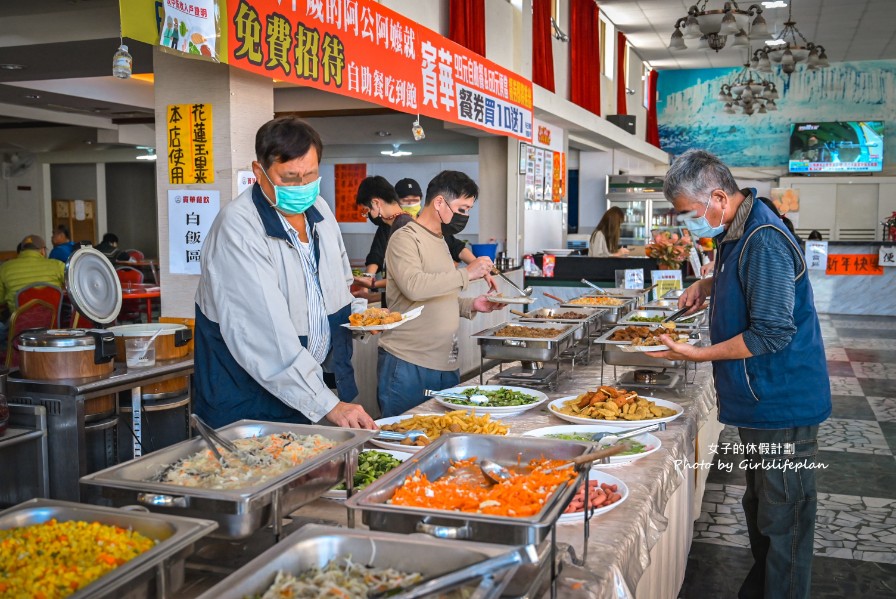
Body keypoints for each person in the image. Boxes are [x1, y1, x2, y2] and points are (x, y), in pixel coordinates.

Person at [652, 149, 830, 599]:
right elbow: (748, 282)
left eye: (687, 214)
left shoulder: (763, 237)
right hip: (758, 399)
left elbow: (771, 332)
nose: (686, 224)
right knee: (761, 508)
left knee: (783, 517)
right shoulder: (736, 227)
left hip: (780, 399)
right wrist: (707, 283)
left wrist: (699, 354)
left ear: (716, 197)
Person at [194, 116, 376, 430]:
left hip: (304, 393)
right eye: (290, 178)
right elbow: (263, 337)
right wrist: (327, 404)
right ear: (258, 171)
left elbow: (335, 286)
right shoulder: (238, 229)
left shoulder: (319, 210)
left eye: (311, 175)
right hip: (249, 401)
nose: (303, 187)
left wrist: (363, 316)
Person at [376, 171, 504, 417]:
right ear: (438, 202)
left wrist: (472, 305)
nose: (464, 216)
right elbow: (414, 286)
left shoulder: (440, 240)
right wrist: (467, 273)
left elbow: (438, 295)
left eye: (468, 210)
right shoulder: (406, 238)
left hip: (445, 363)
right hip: (409, 362)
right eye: (462, 208)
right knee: (405, 441)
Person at [353, 176, 495, 304]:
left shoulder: (408, 229)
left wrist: (371, 285)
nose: (463, 215)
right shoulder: (394, 228)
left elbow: (418, 284)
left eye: (366, 211)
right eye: (462, 209)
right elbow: (377, 258)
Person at [0, 234, 65, 316]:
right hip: (52, 324)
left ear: (21, 251)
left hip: (19, 326)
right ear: (42, 250)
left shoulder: (4, 268)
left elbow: (1, 300)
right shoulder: (58, 265)